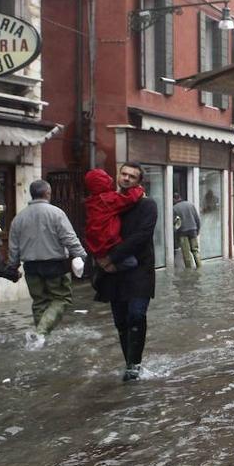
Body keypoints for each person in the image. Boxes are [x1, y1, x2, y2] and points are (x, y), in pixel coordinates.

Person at [92, 163, 158, 382]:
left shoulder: (148, 205)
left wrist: (110, 258)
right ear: (117, 176)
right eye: (124, 174)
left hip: (139, 268)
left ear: (139, 181)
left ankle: (134, 366)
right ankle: (129, 362)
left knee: (136, 314)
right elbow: (96, 230)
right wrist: (100, 259)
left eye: (132, 176)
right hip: (113, 273)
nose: (127, 178)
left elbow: (141, 236)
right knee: (121, 321)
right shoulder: (109, 202)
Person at [8, 179, 87, 345]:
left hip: (30, 267)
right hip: (55, 265)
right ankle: (41, 332)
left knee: (39, 301)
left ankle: (40, 340)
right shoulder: (56, 213)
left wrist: (13, 267)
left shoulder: (19, 218)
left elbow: (13, 247)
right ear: (47, 193)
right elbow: (69, 238)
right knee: (62, 298)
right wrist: (80, 255)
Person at [83, 168, 143, 272]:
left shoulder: (92, 200)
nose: (110, 178)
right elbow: (129, 199)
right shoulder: (107, 199)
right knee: (132, 262)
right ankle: (110, 269)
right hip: (109, 242)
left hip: (97, 243)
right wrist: (139, 190)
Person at [172, 192, 202, 269]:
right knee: (195, 250)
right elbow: (197, 219)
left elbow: (176, 224)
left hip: (182, 232)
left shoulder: (174, 208)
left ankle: (189, 270)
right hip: (193, 230)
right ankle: (199, 266)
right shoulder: (190, 205)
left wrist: (176, 235)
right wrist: (197, 230)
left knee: (186, 254)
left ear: (174, 199)